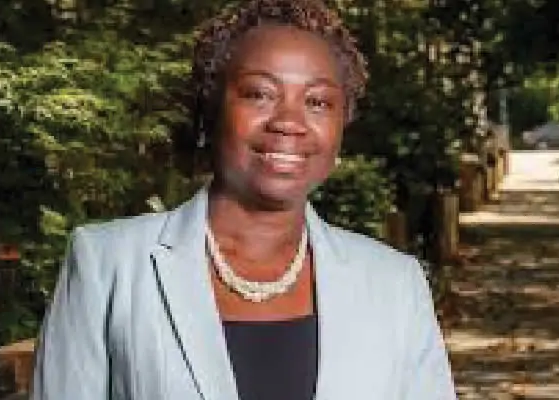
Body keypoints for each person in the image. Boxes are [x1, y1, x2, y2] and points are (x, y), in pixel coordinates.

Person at [31, 0, 457, 399]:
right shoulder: (108, 265)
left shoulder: (394, 284)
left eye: (317, 101)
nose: (289, 121)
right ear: (211, 111)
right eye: (260, 94)